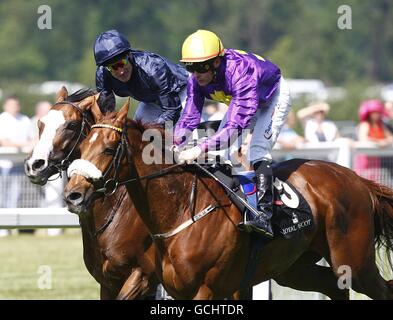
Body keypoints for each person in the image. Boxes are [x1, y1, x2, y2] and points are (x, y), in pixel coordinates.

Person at [173, 30, 291, 238]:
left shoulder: (239, 73)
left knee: (256, 151)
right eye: (189, 67)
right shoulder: (196, 80)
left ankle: (264, 216)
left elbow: (234, 129)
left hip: (272, 97)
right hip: (243, 102)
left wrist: (199, 148)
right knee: (221, 154)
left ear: (216, 63)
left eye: (200, 67)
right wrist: (176, 142)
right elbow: (189, 116)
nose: (195, 73)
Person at [94, 29, 189, 125]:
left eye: (122, 63)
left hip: (182, 91)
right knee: (138, 134)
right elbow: (105, 114)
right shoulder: (103, 74)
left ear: (129, 55)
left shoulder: (153, 68)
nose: (121, 71)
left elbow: (172, 111)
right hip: (151, 100)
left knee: (185, 130)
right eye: (113, 67)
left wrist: (153, 129)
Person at [0, 97, 35, 236]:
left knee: (16, 195)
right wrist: (24, 145)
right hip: (4, 164)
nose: (15, 107)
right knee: (2, 195)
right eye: (12, 104)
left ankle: (10, 225)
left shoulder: (24, 119)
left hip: (19, 163)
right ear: (5, 106)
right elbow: (4, 142)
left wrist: (26, 145)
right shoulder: (3, 119)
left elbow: (33, 139)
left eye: (16, 104)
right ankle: (3, 226)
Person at [355, 99, 393, 183]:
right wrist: (378, 142)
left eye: (378, 112)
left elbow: (391, 137)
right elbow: (363, 139)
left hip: (375, 159)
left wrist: (385, 142)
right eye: (374, 112)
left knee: (375, 181)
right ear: (369, 113)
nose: (376, 115)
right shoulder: (365, 124)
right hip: (365, 158)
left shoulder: (381, 125)